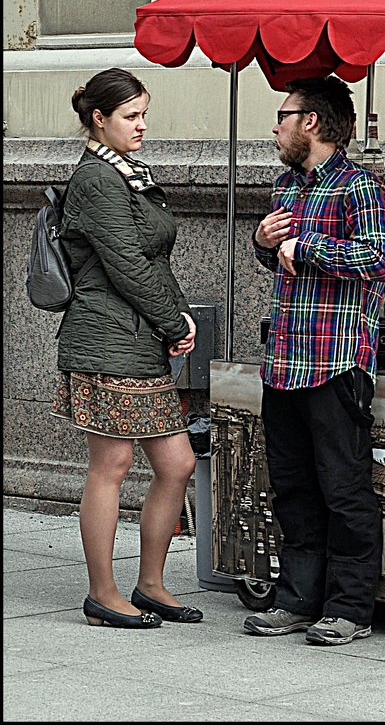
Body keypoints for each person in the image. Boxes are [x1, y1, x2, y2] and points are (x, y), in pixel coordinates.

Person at [244, 75, 385, 646]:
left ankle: (350, 609)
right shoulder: (286, 186)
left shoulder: (360, 188)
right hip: (284, 360)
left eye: (283, 116)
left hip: (336, 362)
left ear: (311, 122)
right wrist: (263, 243)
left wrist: (300, 247)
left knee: (343, 487)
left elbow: (378, 259)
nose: (275, 127)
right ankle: (297, 600)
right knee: (292, 487)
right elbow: (278, 263)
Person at [51, 67, 203, 628]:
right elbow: (126, 267)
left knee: (177, 462)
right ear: (99, 119)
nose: (142, 127)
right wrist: (172, 321)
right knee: (111, 464)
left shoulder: (126, 173)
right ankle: (101, 592)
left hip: (140, 340)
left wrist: (179, 316)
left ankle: (151, 584)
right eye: (131, 117)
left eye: (144, 115)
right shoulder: (96, 179)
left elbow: (154, 262)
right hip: (104, 338)